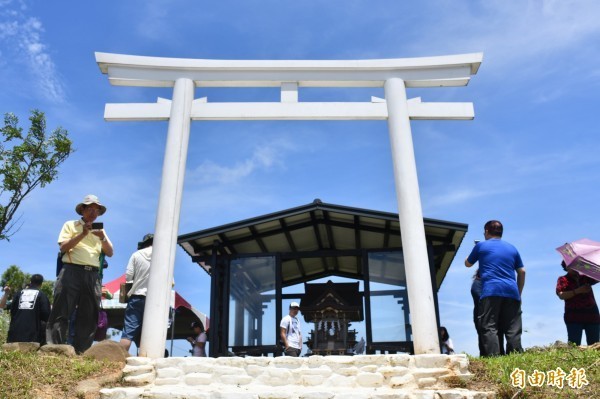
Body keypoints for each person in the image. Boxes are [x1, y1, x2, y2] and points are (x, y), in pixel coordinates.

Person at [47, 194, 113, 354]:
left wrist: (102, 238)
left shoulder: (100, 230)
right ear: (82, 210)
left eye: (96, 210)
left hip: (92, 274)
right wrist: (83, 234)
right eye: (90, 208)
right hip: (71, 270)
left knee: (89, 314)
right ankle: (54, 348)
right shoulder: (71, 225)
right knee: (62, 309)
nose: (93, 212)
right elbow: (63, 247)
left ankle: (81, 351)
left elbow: (110, 252)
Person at [465, 220, 525, 356]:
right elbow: (522, 271)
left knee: (489, 326)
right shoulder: (512, 248)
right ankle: (515, 358)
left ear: (486, 232)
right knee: (512, 328)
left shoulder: (481, 246)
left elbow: (467, 263)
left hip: (491, 290)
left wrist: (474, 253)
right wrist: (519, 293)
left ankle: (495, 359)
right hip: (512, 291)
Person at [119, 234, 154, 351]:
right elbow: (171, 282)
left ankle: (119, 361)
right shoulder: (163, 256)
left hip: (137, 296)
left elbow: (128, 277)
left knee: (128, 333)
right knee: (151, 334)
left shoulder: (136, 254)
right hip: (155, 301)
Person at [556, 261, 599, 346]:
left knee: (595, 345)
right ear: (566, 267)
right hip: (573, 316)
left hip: (591, 315)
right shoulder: (563, 279)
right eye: (571, 266)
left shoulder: (586, 277)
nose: (574, 268)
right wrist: (578, 291)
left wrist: (587, 267)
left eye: (576, 265)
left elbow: (598, 275)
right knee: (574, 345)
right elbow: (561, 295)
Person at [7, 274, 51, 344]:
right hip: (33, 339)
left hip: (14, 337)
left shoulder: (18, 293)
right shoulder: (42, 295)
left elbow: (12, 312)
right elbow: (46, 315)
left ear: (30, 282)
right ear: (41, 284)